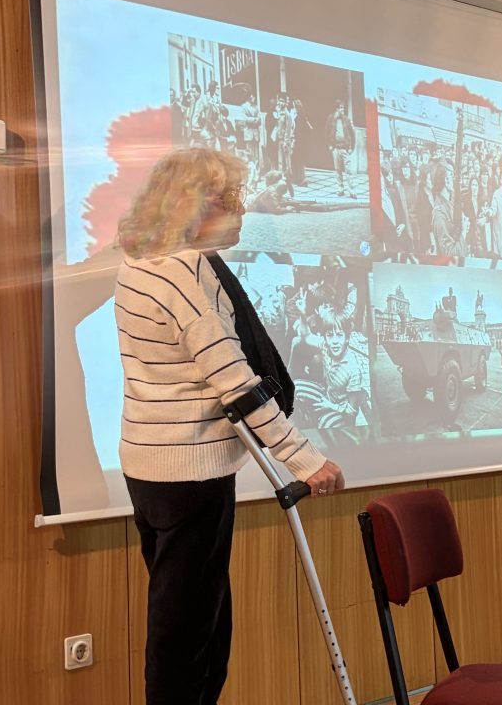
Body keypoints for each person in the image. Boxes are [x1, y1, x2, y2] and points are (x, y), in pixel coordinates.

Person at [114, 147, 345, 705]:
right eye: (226, 201)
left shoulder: (142, 261)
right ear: (191, 206)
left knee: (193, 618)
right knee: (190, 636)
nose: (239, 211)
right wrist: (305, 460)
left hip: (151, 466)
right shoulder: (179, 275)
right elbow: (236, 382)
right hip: (189, 474)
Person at [326, 102, 356, 197]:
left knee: (348, 170)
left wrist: (351, 147)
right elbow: (326, 132)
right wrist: (330, 145)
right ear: (336, 109)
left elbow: (352, 134)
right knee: (338, 170)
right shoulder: (331, 119)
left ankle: (351, 190)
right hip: (335, 148)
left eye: (343, 108)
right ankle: (340, 189)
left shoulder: (347, 119)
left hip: (345, 149)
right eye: (341, 108)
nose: (343, 110)